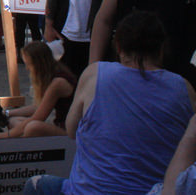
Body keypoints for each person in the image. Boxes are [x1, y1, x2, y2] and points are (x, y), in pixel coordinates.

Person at [24, 11, 196, 195]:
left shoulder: (95, 73)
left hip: (87, 192)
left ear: (119, 47)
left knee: (35, 185)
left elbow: (71, 129)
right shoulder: (183, 88)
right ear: (162, 48)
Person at [0, 41, 76, 139]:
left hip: (69, 131)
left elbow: (39, 117)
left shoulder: (58, 83)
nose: (27, 68)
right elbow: (38, 107)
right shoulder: (52, 76)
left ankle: (22, 146)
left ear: (39, 64)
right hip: (59, 125)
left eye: (29, 64)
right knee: (12, 121)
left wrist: (6, 135)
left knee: (33, 127)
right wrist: (6, 114)